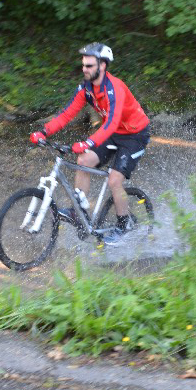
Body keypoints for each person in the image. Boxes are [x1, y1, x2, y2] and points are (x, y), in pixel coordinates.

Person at [30, 42, 151, 245]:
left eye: (89, 66)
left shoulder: (115, 88)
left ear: (102, 65)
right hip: (113, 133)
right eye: (83, 65)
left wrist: (88, 142)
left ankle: (125, 223)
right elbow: (67, 114)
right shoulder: (86, 88)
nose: (84, 69)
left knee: (114, 180)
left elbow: (112, 123)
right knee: (83, 160)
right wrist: (44, 131)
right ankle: (79, 213)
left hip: (135, 135)